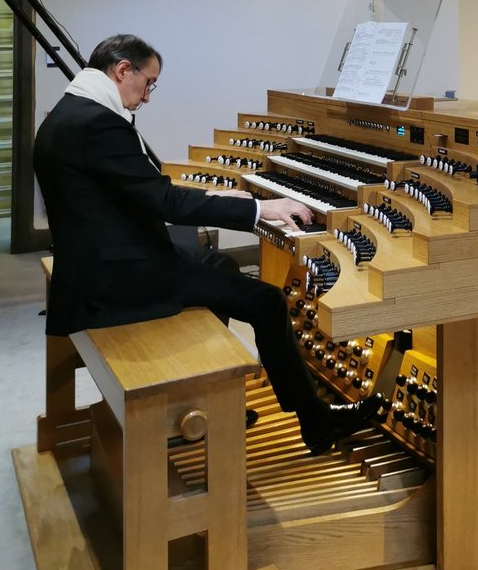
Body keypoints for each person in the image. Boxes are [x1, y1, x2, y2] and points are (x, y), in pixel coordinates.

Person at [33, 33, 378, 454]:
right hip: (116, 278)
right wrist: (256, 210)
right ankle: (315, 422)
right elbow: (165, 203)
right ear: (123, 70)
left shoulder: (71, 112)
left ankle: (213, 396)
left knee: (223, 268)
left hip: (102, 258)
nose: (147, 95)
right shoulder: (97, 123)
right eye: (149, 83)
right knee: (267, 301)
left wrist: (217, 198)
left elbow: (135, 190)